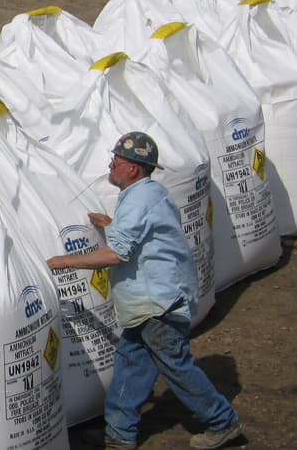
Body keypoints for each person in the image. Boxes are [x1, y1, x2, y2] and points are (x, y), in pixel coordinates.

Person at [46, 131, 243, 450]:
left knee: (176, 367)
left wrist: (65, 261)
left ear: (134, 168)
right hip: (148, 303)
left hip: (158, 303)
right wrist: (112, 225)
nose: (110, 165)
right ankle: (120, 436)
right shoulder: (149, 194)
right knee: (131, 364)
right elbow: (148, 235)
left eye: (117, 161)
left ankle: (223, 421)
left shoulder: (139, 198)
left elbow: (116, 254)